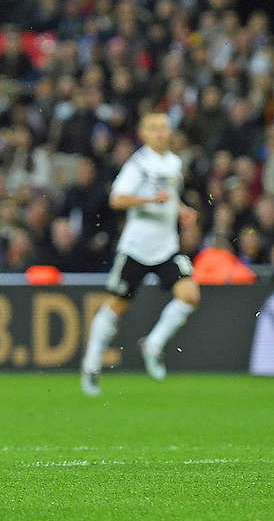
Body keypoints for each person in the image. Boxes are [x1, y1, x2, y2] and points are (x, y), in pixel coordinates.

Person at [80, 113, 199, 396]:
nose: (160, 133)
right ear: (143, 133)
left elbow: (169, 196)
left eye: (164, 128)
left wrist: (181, 210)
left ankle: (153, 345)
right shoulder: (138, 164)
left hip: (167, 247)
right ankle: (91, 365)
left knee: (190, 295)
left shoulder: (174, 162)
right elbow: (117, 199)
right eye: (154, 129)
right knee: (117, 306)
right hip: (136, 247)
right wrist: (149, 200)